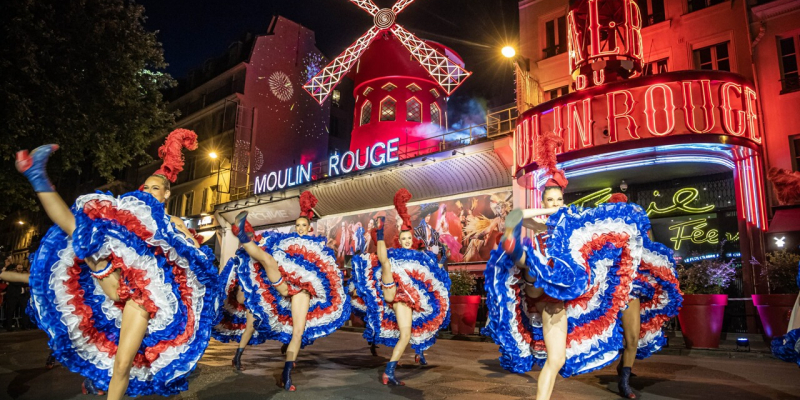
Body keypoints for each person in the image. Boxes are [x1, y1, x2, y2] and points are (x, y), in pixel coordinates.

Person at [13, 129, 219, 399]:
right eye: (145, 187)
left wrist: (188, 246)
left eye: (156, 187)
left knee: (123, 364)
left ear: (168, 194)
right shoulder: (128, 218)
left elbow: (193, 261)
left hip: (144, 298)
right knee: (84, 236)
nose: (147, 191)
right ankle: (37, 175)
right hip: (113, 282)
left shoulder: (173, 223)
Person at [483, 133, 645, 400]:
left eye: (559, 200)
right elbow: (514, 216)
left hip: (566, 297)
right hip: (539, 287)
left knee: (555, 360)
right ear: (544, 203)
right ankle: (518, 254)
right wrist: (544, 213)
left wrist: (568, 215)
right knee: (530, 264)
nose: (556, 205)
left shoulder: (575, 225)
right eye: (550, 201)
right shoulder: (540, 222)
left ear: (564, 199)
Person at [230, 190, 349, 391]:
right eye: (297, 226)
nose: (300, 229)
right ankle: (241, 234)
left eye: (303, 226)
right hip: (284, 285)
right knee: (267, 260)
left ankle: (286, 374)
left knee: (298, 332)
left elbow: (324, 274)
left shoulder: (317, 247)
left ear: (309, 228)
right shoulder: (286, 243)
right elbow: (274, 258)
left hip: (302, 292)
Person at [352, 189, 451, 386]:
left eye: (409, 239)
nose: (406, 241)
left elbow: (434, 274)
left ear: (412, 240)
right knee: (386, 264)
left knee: (406, 335)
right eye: (403, 238)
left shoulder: (420, 257)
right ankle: (379, 234)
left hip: (405, 300)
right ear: (399, 238)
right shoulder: (394, 253)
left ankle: (390, 370)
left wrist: (443, 259)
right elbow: (382, 262)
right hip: (391, 290)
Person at [606, 193, 683, 399]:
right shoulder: (600, 235)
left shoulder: (639, 238)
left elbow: (652, 256)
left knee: (632, 338)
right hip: (605, 294)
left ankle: (624, 379)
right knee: (598, 336)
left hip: (631, 290)